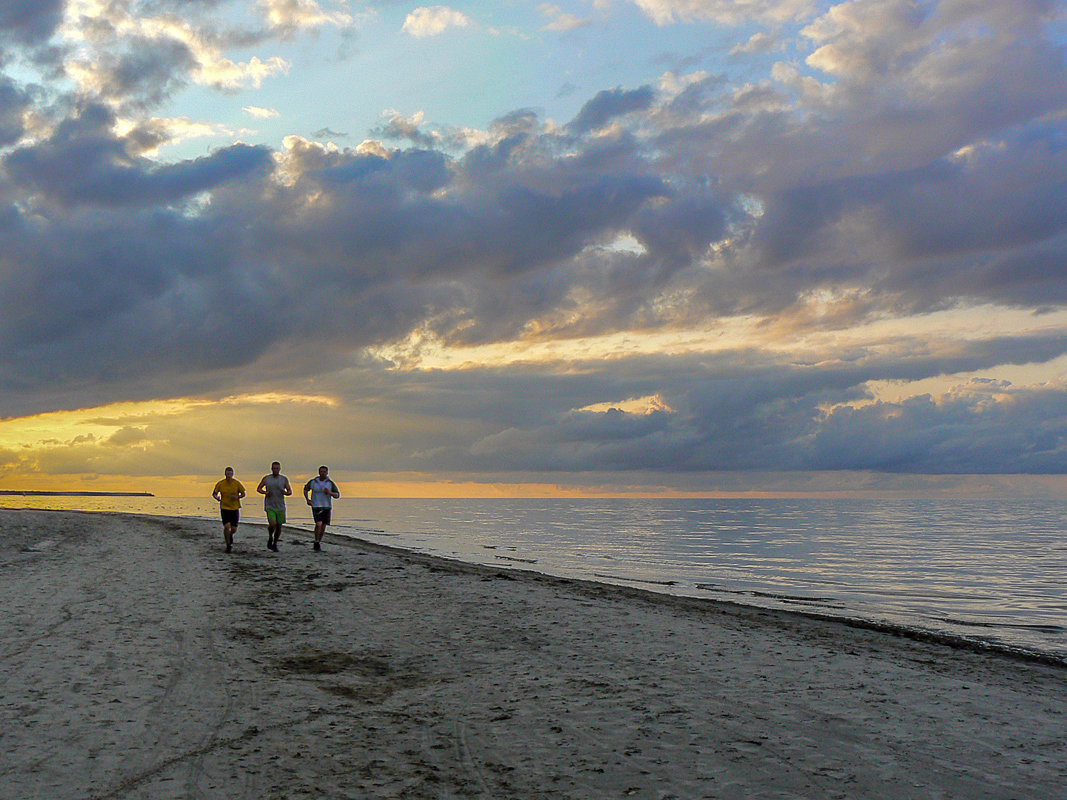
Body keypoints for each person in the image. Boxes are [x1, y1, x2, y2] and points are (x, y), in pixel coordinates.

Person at [256, 461, 293, 552]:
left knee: (279, 526)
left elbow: (289, 492)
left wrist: (284, 492)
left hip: (280, 506)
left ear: (279, 469)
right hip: (270, 505)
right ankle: (270, 537)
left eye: (277, 468)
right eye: (274, 468)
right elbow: (259, 488)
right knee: (273, 524)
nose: (275, 470)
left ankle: (275, 543)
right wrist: (265, 492)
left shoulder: (284, 479)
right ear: (271, 469)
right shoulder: (267, 478)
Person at [303, 465, 340, 551]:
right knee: (318, 524)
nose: (323, 473)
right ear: (319, 472)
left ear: (327, 473)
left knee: (323, 526)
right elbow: (306, 489)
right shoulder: (313, 482)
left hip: (326, 506)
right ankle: (316, 540)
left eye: (324, 472)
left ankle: (318, 542)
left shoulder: (330, 483)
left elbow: (337, 495)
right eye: (321, 472)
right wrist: (307, 499)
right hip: (316, 506)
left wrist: (330, 492)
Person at [212, 467, 246, 553]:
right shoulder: (221, 483)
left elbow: (243, 493)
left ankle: (229, 536)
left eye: (230, 474)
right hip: (224, 508)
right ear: (225, 474)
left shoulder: (237, 483)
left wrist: (237, 497)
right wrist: (217, 498)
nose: (229, 475)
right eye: (227, 474)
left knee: (233, 529)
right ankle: (228, 545)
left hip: (234, 508)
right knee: (227, 527)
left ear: (233, 474)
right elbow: (214, 493)